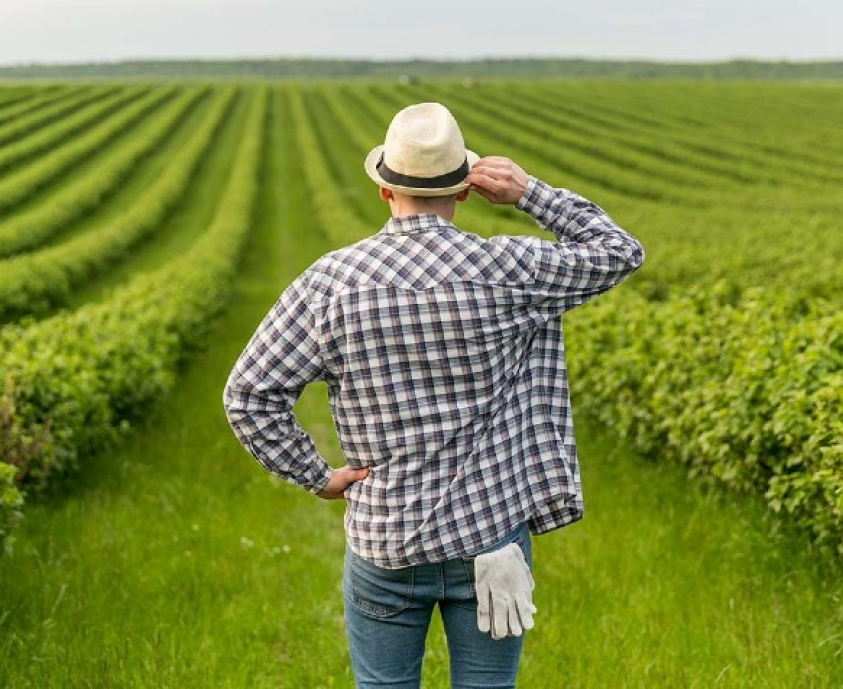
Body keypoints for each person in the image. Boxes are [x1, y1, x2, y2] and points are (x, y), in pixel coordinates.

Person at [224, 102, 644, 688]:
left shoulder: (331, 282)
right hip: (490, 537)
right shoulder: (507, 267)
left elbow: (249, 395)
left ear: (384, 191)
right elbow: (620, 251)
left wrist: (316, 474)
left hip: (386, 537)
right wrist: (530, 193)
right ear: (466, 190)